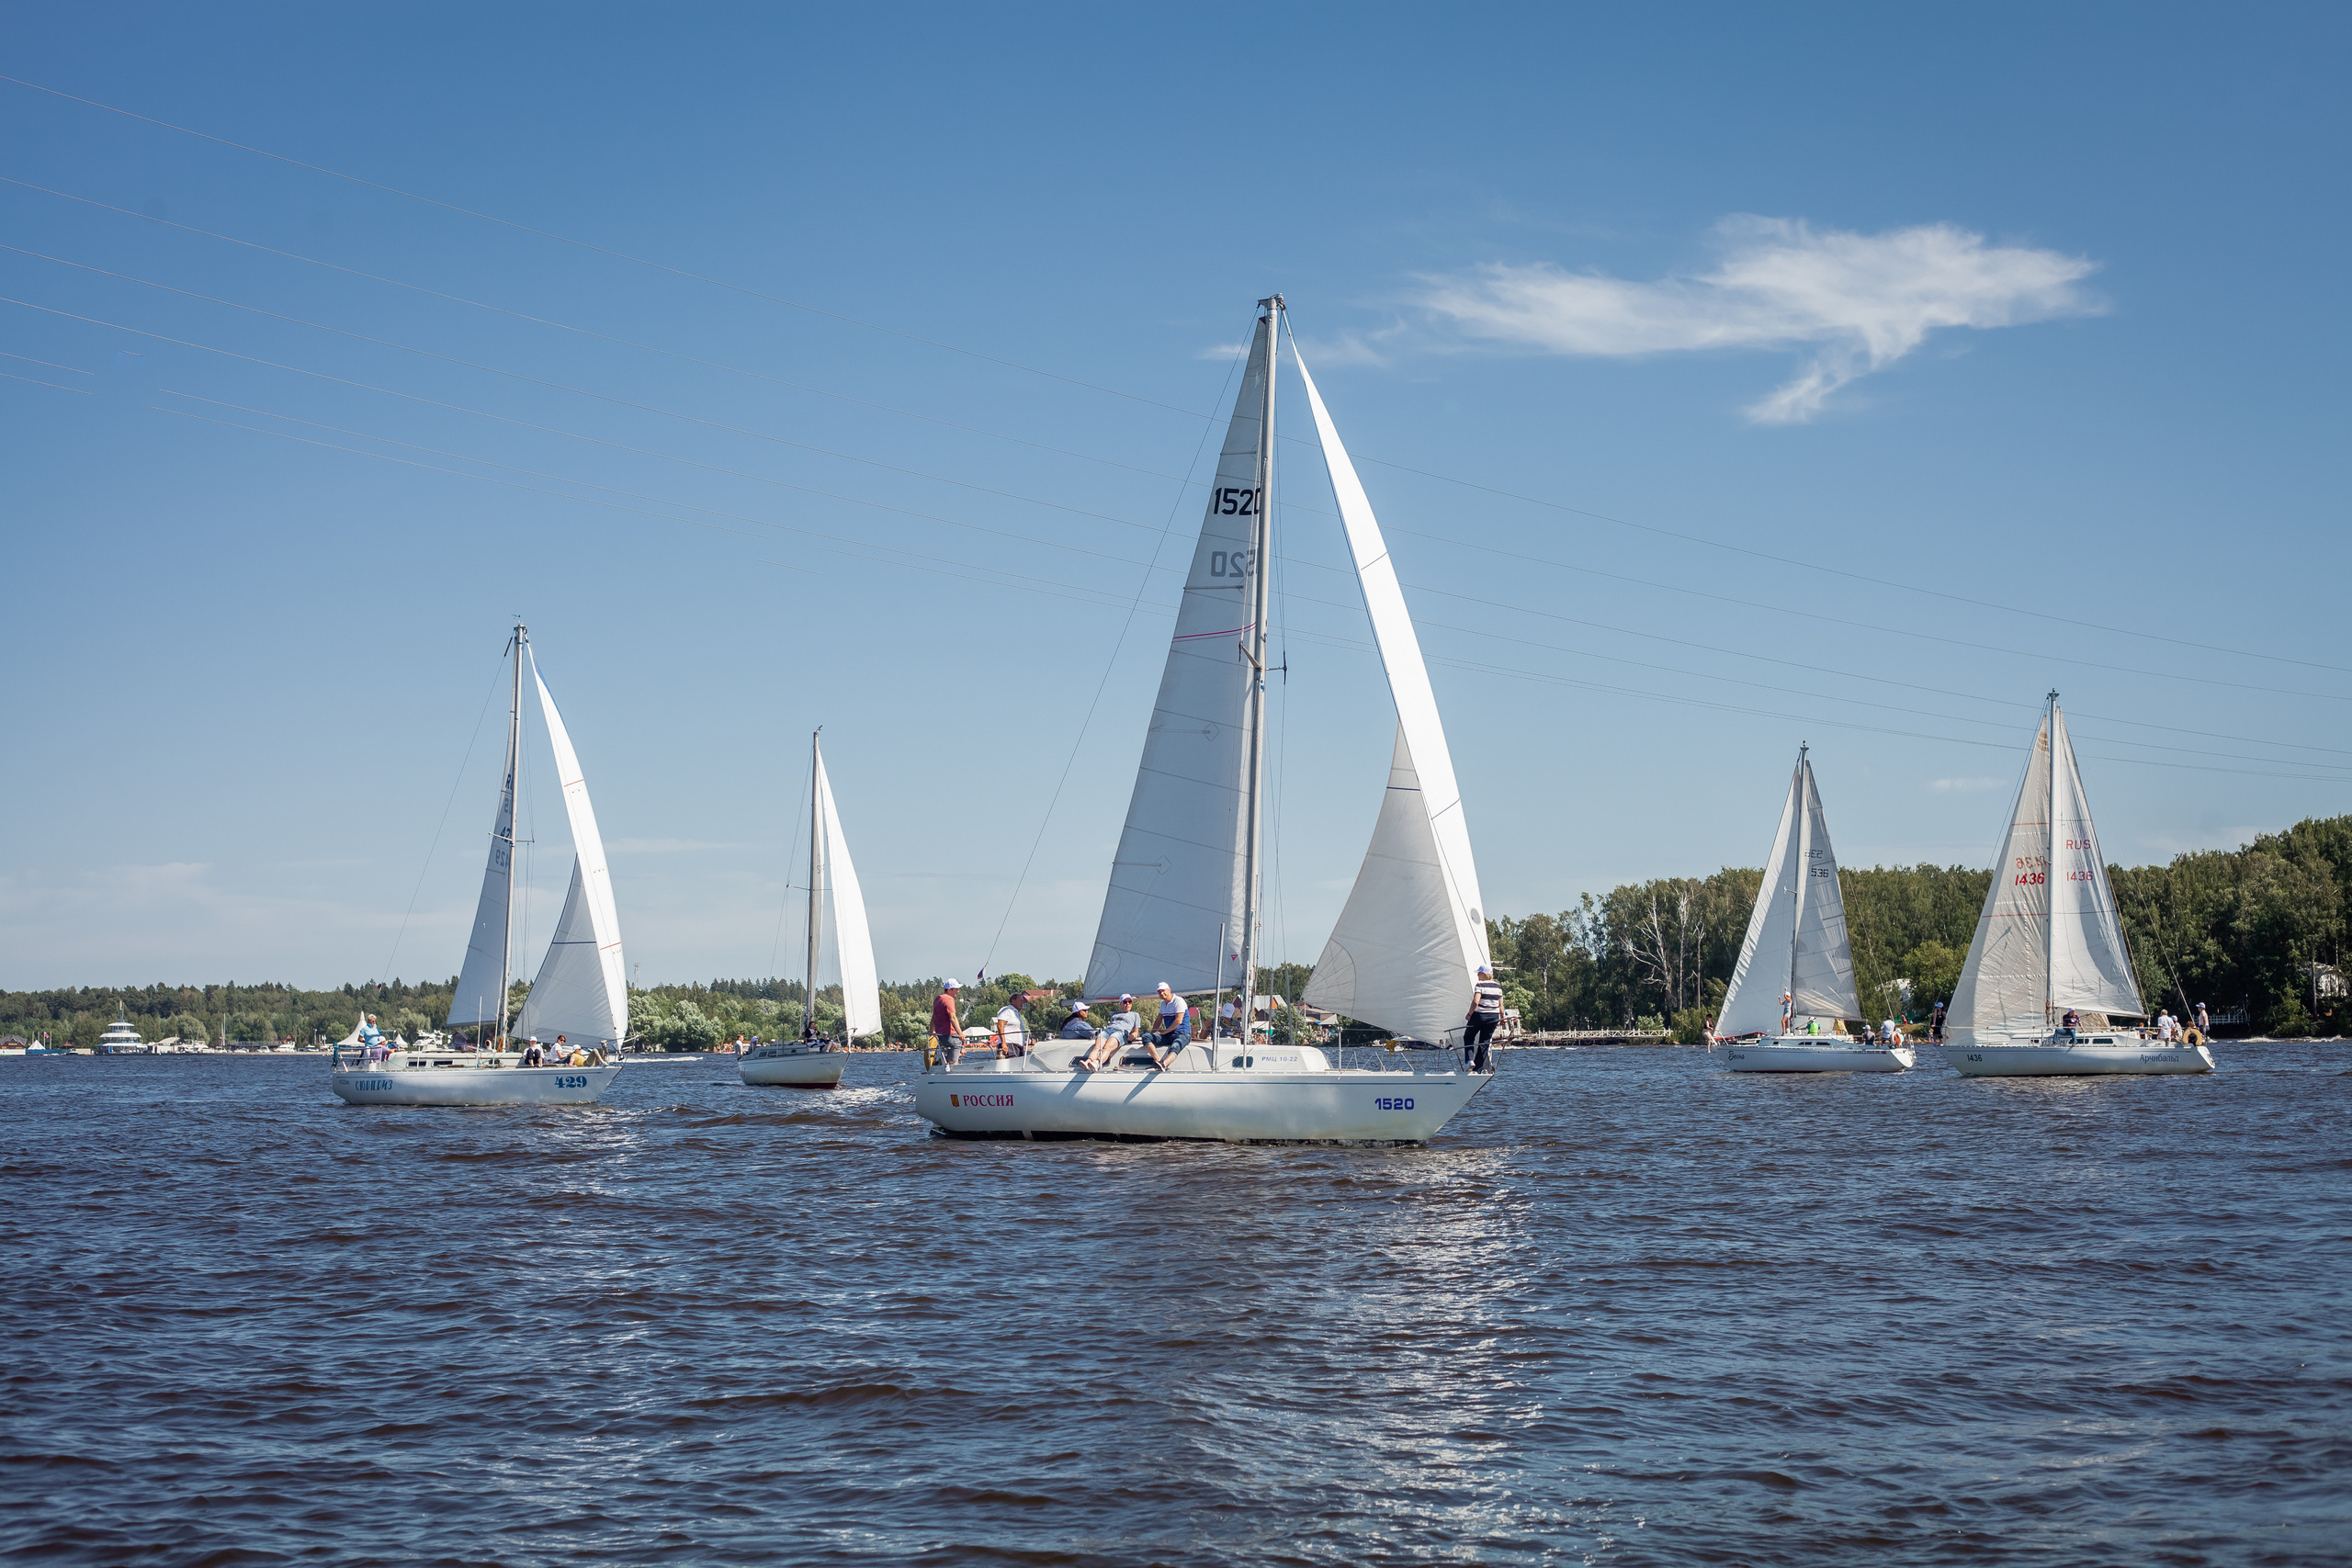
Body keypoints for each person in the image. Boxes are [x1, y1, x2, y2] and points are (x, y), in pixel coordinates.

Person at [1463, 964, 1503, 1073]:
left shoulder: (1480, 985)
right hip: (1494, 1017)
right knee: (1484, 1042)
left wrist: (1469, 1014)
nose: (1477, 975)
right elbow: (1500, 1005)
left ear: (1484, 975)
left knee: (1468, 1037)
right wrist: (1503, 1018)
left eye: (1479, 973)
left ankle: (1469, 1061)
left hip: (1480, 1015)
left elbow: (1476, 1001)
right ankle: (1478, 1068)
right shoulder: (1497, 986)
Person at [931, 979, 965, 1066]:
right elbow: (953, 1018)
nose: (958, 991)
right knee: (957, 1047)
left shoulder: (937, 999)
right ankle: (953, 1067)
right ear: (949, 990)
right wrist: (960, 1033)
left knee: (962, 1050)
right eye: (956, 989)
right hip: (950, 1035)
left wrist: (931, 1032)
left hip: (940, 1036)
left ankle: (940, 1062)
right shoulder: (949, 999)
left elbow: (933, 1016)